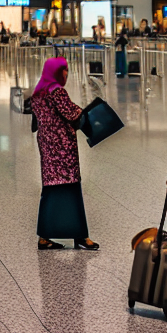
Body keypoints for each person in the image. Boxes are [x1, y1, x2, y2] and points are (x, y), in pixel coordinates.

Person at [28, 56, 98, 250]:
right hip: (62, 150)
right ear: (56, 72)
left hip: (48, 148)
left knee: (50, 191)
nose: (66, 74)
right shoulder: (57, 92)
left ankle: (45, 237)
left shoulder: (38, 93)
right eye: (64, 70)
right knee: (72, 190)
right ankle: (81, 237)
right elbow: (72, 114)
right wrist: (90, 113)